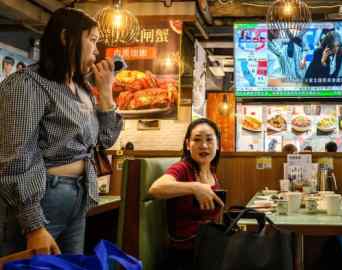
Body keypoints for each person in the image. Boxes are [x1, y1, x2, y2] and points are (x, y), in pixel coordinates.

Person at [0, 8, 123, 256]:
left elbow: (104, 140)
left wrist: (106, 93)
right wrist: (33, 225)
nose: (97, 51)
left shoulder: (82, 88)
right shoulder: (28, 83)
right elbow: (15, 158)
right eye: (93, 40)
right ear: (67, 38)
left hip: (79, 195)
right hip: (43, 197)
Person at [148, 118, 225, 270]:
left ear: (218, 145)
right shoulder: (182, 168)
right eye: (197, 140)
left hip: (208, 248)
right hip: (185, 255)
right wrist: (195, 187)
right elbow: (156, 189)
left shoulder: (211, 171)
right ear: (188, 144)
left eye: (209, 139)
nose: (203, 145)